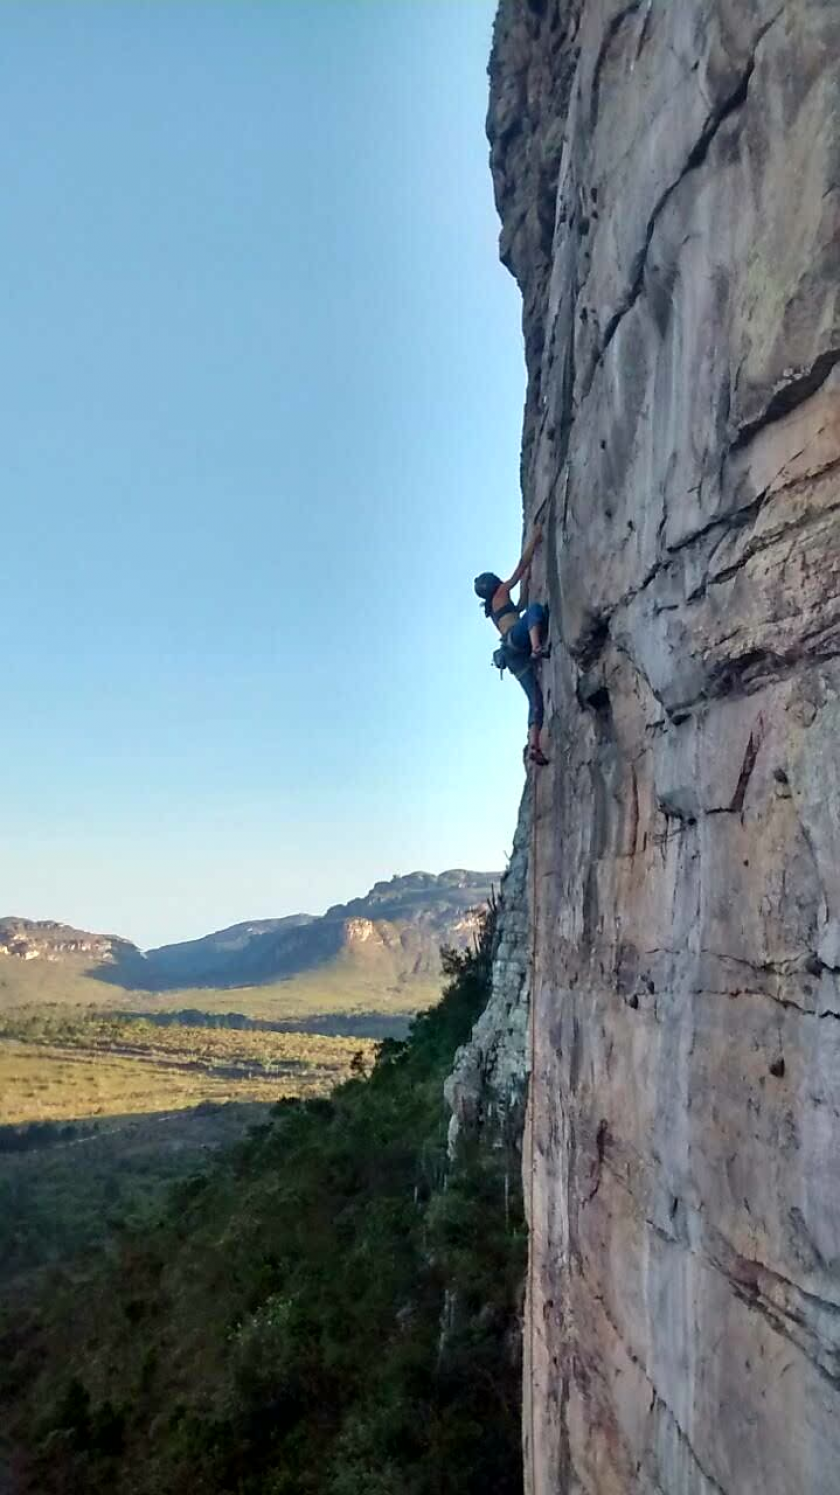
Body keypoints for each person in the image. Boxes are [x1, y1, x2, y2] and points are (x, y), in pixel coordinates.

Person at [474, 525, 550, 766]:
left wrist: (527, 580)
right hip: (518, 643)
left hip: (512, 654)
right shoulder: (501, 591)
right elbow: (519, 567)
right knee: (536, 610)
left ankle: (534, 745)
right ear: (494, 582)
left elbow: (520, 604)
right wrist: (535, 541)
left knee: (535, 700)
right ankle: (537, 648)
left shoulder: (496, 605)